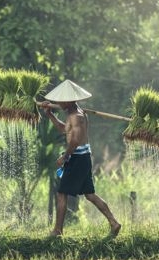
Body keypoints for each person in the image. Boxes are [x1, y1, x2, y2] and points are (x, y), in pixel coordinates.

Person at [40, 80, 121, 238]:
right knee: (89, 194)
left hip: (78, 157)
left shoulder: (76, 116)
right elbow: (65, 129)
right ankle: (114, 222)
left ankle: (57, 231)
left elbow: (75, 141)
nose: (59, 102)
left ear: (69, 100)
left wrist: (65, 156)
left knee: (62, 193)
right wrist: (49, 114)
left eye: (61, 100)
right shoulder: (75, 114)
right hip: (83, 157)